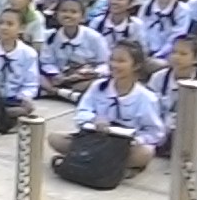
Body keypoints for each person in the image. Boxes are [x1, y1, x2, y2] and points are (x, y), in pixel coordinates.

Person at [47, 41, 162, 171]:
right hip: (95, 139)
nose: (114, 65)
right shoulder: (98, 86)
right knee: (55, 139)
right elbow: (82, 112)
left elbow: (154, 132)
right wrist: (94, 120)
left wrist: (136, 140)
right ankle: (106, 164)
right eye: (112, 60)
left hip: (123, 146)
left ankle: (90, 161)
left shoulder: (146, 98)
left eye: (121, 61)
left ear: (136, 65)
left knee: (145, 153)